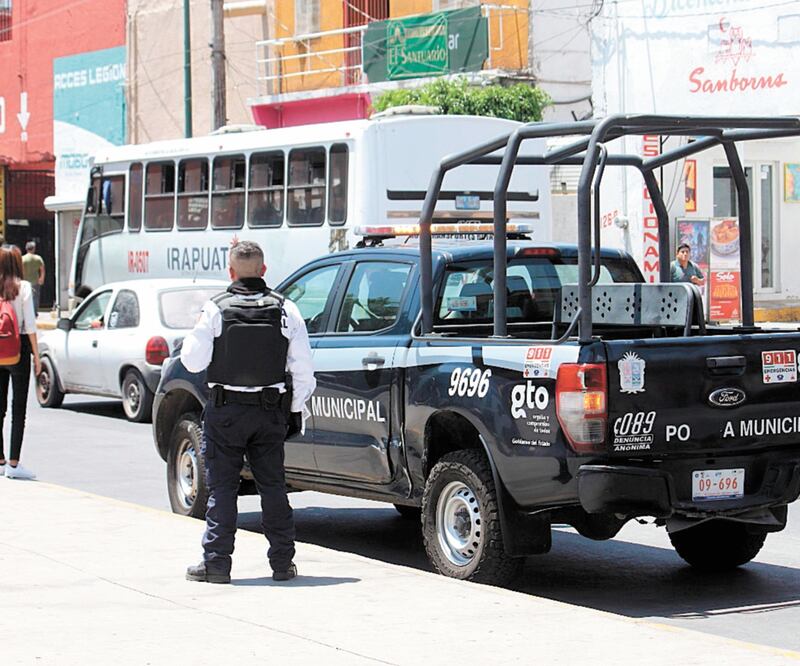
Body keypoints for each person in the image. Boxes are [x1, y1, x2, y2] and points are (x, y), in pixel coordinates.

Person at [181, 240, 315, 584]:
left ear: (230, 272)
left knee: (222, 490)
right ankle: (283, 564)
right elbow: (304, 372)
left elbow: (191, 360)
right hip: (270, 412)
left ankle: (217, 565)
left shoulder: (215, 309)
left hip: (225, 413)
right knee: (273, 488)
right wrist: (294, 411)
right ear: (264, 270)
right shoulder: (287, 309)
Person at [0, 246, 41, 479]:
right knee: (18, 409)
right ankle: (13, 464)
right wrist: (36, 357)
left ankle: (0, 460)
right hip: (19, 349)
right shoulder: (23, 288)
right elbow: (31, 326)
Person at [22, 241, 45, 312]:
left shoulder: (22, 258)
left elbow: (20, 270)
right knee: (35, 297)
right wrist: (42, 278)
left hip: (25, 281)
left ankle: (26, 311)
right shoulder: (38, 258)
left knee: (25, 297)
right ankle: (34, 312)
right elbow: (42, 269)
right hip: (35, 281)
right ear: (34, 249)